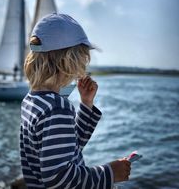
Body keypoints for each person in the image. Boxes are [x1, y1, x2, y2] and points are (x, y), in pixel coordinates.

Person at [20, 13, 131, 189]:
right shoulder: (56, 108)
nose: (83, 67)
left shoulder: (31, 100)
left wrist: (86, 104)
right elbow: (59, 179)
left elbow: (71, 145)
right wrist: (110, 173)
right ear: (69, 61)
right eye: (82, 59)